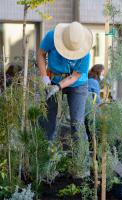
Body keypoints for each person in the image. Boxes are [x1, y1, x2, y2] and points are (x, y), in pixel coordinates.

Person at [37, 22, 93, 177]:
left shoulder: (85, 51)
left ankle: (81, 166)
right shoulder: (51, 36)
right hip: (52, 78)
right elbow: (41, 54)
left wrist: (58, 87)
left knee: (77, 123)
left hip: (77, 83)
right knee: (48, 119)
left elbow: (75, 76)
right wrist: (44, 78)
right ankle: (43, 162)